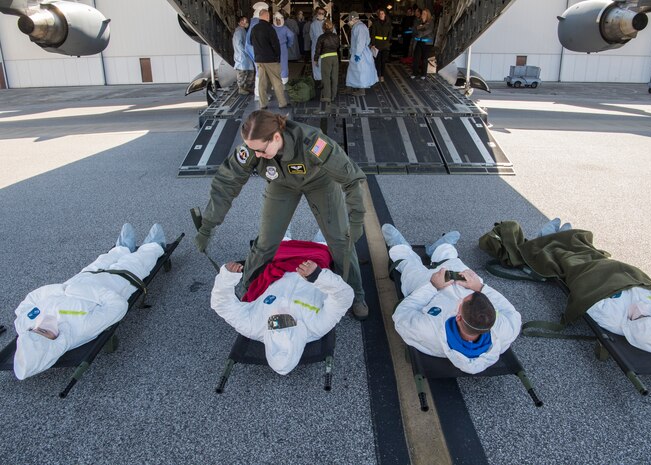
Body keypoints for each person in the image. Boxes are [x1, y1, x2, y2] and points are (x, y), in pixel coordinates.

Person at [195, 110, 369, 320]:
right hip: (281, 184)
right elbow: (226, 184)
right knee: (266, 242)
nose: (256, 156)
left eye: (260, 150)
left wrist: (357, 218)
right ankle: (250, 287)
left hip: (319, 183)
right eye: (253, 150)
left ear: (276, 137)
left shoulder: (313, 143)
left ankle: (356, 294)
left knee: (340, 240)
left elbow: (352, 178)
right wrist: (208, 226)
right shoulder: (253, 147)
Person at [12, 223, 168, 380]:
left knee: (103, 260)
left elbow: (29, 301)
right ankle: (154, 246)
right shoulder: (82, 328)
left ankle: (121, 248)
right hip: (116, 281)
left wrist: (60, 289)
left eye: (36, 330)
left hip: (83, 276)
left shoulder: (25, 324)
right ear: (54, 344)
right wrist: (80, 291)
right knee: (137, 262)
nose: (42, 326)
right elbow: (118, 306)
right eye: (45, 332)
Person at [383, 224, 521, 374]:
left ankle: (400, 248)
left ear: (459, 316)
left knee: (411, 269)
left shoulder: (428, 329)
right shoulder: (506, 329)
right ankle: (442, 249)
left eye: (463, 302)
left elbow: (402, 313)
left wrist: (433, 286)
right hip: (457, 284)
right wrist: (479, 287)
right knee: (457, 265)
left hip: (427, 291)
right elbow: (509, 311)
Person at [210, 230, 353, 375]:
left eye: (275, 323)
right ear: (299, 334)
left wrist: (226, 278)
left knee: (279, 214)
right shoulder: (317, 326)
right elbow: (344, 296)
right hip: (316, 259)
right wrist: (318, 276)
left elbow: (221, 304)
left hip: (279, 259)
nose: (280, 313)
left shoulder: (253, 326)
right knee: (329, 215)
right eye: (288, 321)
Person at [536, 218, 651, 353]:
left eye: (640, 316)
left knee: (569, 259)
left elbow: (588, 296)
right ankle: (567, 236)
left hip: (594, 273)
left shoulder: (611, 318)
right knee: (590, 252)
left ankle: (546, 238)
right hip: (619, 271)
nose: (642, 307)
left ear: (630, 326)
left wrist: (604, 281)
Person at [250, 9, 288, 109]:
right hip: (270, 60)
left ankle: (263, 104)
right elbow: (275, 44)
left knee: (262, 83)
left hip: (259, 60)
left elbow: (250, 42)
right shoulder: (270, 29)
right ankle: (282, 103)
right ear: (267, 16)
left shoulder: (254, 28)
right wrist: (278, 57)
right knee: (276, 82)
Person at [345, 11, 378, 96]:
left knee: (360, 71)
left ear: (352, 18)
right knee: (354, 71)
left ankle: (361, 90)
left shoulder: (360, 27)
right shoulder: (358, 26)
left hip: (360, 54)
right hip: (358, 52)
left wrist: (357, 54)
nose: (349, 22)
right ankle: (350, 87)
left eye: (349, 19)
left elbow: (361, 42)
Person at [245, 2, 269, 100]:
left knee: (260, 72)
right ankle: (259, 95)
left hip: (254, 49)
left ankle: (260, 94)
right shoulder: (257, 22)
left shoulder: (254, 21)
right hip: (256, 50)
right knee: (261, 72)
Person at [313, 19, 340, 103]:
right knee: (334, 77)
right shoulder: (336, 36)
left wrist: (315, 59)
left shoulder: (321, 37)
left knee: (326, 77)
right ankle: (334, 95)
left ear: (323, 28)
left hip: (326, 58)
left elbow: (317, 50)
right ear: (332, 27)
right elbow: (338, 47)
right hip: (335, 57)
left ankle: (327, 96)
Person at [233, 15, 255, 95]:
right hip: (242, 56)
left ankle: (246, 87)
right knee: (242, 73)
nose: (245, 22)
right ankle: (241, 89)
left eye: (246, 21)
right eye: (243, 21)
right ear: (239, 22)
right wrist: (245, 51)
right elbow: (239, 44)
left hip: (245, 55)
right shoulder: (239, 31)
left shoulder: (243, 31)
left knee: (249, 72)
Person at [272, 12, 296, 85]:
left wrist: (288, 45)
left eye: (279, 20)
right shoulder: (272, 27)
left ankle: (283, 81)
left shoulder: (283, 28)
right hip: (276, 48)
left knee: (283, 64)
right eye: (277, 20)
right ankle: (278, 81)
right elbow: (291, 36)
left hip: (280, 48)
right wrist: (288, 44)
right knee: (275, 64)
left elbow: (291, 36)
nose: (278, 22)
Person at [370, 8, 393, 83]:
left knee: (383, 61)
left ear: (385, 14)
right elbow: (373, 34)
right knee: (377, 61)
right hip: (377, 44)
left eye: (382, 13)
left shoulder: (388, 23)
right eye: (380, 14)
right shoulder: (375, 23)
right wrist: (373, 44)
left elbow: (390, 34)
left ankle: (382, 75)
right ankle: (376, 75)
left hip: (385, 45)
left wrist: (388, 42)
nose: (381, 15)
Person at [412, 8, 435, 79]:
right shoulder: (419, 21)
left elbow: (429, 31)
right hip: (419, 41)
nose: (423, 15)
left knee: (425, 59)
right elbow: (415, 29)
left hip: (427, 43)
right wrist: (419, 30)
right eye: (422, 13)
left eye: (425, 14)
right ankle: (415, 73)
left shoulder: (430, 22)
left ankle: (423, 74)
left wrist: (420, 32)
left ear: (428, 15)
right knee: (416, 58)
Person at [310, 8, 329, 87]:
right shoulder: (313, 24)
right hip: (316, 48)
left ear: (324, 14)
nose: (321, 14)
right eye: (319, 13)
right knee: (317, 65)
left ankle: (326, 81)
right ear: (316, 14)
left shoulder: (327, 23)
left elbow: (333, 34)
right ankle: (320, 81)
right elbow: (311, 37)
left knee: (326, 65)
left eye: (322, 13)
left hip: (326, 48)